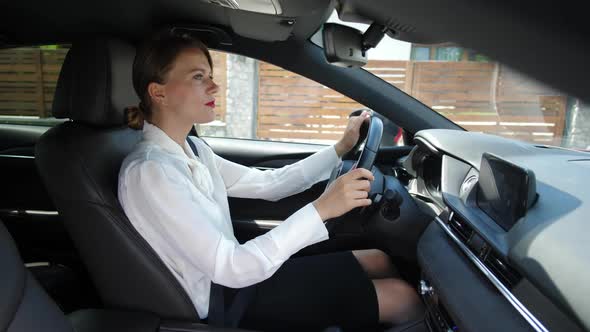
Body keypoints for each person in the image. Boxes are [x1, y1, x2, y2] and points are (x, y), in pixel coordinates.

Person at [118, 28, 423, 331]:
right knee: (402, 297)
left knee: (378, 259)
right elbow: (230, 267)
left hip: (240, 280)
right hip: (222, 302)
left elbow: (269, 184)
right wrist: (322, 208)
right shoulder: (150, 173)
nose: (214, 87)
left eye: (210, 75)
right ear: (158, 92)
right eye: (198, 77)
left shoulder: (193, 149)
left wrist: (340, 148)